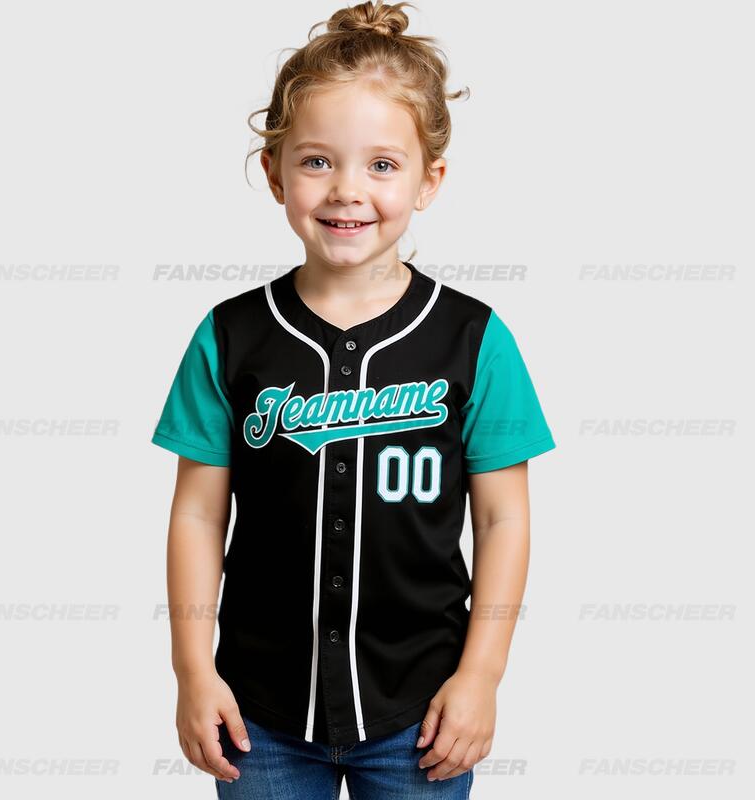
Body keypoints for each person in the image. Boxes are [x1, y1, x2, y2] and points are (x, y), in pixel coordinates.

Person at [150, 2, 556, 797]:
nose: (346, 191)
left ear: (429, 179)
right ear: (274, 172)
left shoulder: (475, 338)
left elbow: (503, 520)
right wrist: (193, 671)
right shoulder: (229, 336)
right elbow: (197, 515)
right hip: (259, 715)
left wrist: (482, 676)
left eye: (382, 165)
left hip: (422, 712)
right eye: (316, 161)